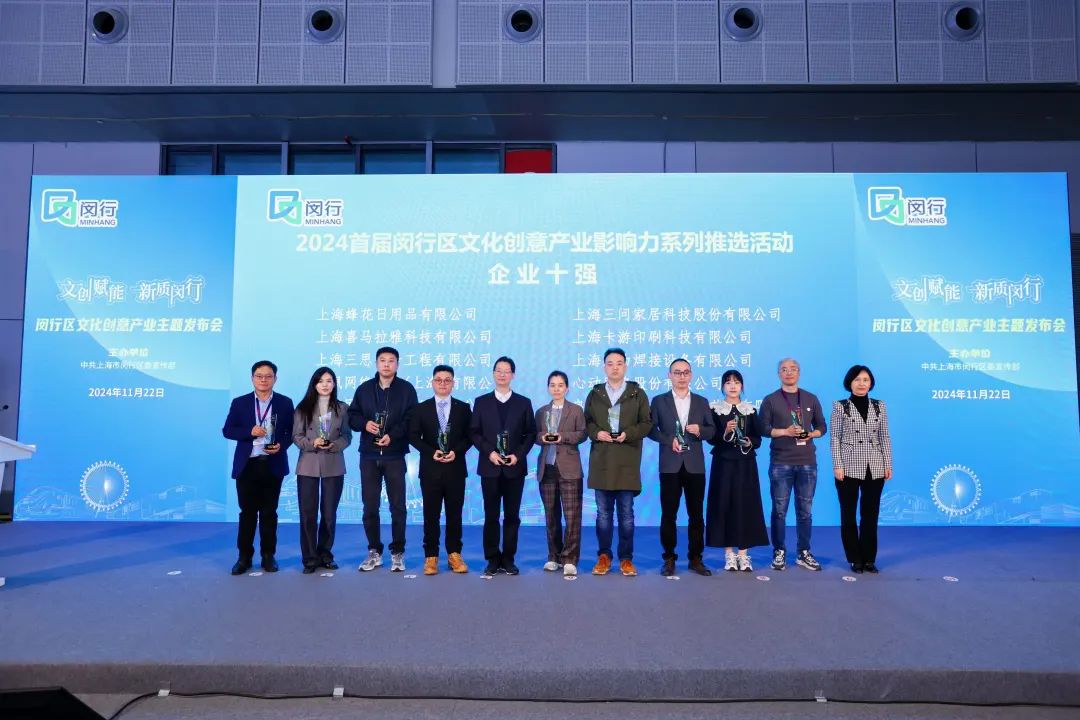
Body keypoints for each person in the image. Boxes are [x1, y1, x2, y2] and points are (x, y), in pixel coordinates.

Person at [347, 347, 418, 573]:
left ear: (397, 364)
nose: (386, 364)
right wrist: (364, 424)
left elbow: (411, 419)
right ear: (376, 363)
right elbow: (352, 416)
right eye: (382, 360)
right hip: (369, 455)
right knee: (370, 506)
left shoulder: (406, 389)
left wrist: (393, 435)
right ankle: (374, 551)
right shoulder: (364, 389)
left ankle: (398, 552)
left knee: (398, 506)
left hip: (394, 454)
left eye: (391, 361)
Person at [583, 348, 652, 577]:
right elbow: (587, 422)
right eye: (610, 363)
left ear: (626, 366)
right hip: (602, 461)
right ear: (604, 367)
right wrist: (597, 433)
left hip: (627, 461)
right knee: (603, 515)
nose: (615, 367)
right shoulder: (595, 394)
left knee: (626, 515)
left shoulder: (637, 393)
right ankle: (604, 556)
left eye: (619, 363)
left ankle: (626, 558)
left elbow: (646, 423)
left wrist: (628, 434)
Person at [221, 360, 294, 575]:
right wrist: (249, 431)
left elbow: (291, 432)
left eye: (268, 376)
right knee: (247, 513)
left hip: (273, 464)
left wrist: (282, 445)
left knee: (270, 513)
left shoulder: (284, 402)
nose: (264, 380)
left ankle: (268, 556)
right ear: (252, 378)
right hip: (247, 465)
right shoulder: (240, 402)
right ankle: (244, 557)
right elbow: (227, 430)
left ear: (275, 379)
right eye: (259, 376)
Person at [648, 359, 716, 576]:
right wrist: (669, 440)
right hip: (670, 464)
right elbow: (651, 430)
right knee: (669, 514)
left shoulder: (701, 401)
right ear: (669, 375)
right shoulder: (659, 401)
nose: (681, 376)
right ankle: (669, 558)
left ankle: (696, 558)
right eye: (677, 372)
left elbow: (712, 430)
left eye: (685, 372)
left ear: (691, 375)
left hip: (695, 465)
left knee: (696, 515)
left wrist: (700, 431)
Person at [758, 357, 827, 572]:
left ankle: (803, 552)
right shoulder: (770, 400)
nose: (789, 372)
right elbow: (763, 429)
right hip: (781, 462)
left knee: (805, 511)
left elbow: (822, 426)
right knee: (779, 510)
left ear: (799, 372)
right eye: (784, 369)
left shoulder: (810, 398)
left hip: (807, 462)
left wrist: (811, 434)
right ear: (779, 373)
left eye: (793, 369)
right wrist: (785, 432)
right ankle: (779, 551)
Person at [469, 356, 536, 576]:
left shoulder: (523, 402)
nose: (502, 374)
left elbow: (531, 433)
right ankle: (492, 558)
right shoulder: (481, 402)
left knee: (512, 516)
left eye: (507, 371)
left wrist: (518, 455)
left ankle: (508, 558)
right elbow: (474, 432)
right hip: (490, 467)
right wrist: (489, 452)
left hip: (514, 468)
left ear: (513, 375)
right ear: (493, 373)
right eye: (498, 370)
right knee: (490, 516)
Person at [408, 365, 473, 575]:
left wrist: (457, 452)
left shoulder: (464, 408)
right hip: (430, 469)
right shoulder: (421, 408)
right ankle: (431, 556)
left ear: (453, 383)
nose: (443, 383)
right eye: (439, 380)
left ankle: (454, 554)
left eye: (447, 380)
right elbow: (413, 436)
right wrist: (430, 452)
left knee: (455, 514)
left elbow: (470, 436)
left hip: (455, 469)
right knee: (431, 515)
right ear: (432, 382)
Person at [830, 365, 893, 574]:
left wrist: (887, 464)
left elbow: (884, 436)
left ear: (871, 383)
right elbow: (835, 438)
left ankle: (869, 559)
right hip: (848, 466)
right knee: (848, 515)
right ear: (849, 382)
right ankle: (854, 558)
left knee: (870, 514)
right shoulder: (840, 406)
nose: (861, 384)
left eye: (865, 380)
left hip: (875, 465)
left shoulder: (879, 405)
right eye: (857, 379)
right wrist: (838, 465)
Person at [705, 369, 769, 572]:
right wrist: (725, 432)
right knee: (723, 504)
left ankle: (743, 554)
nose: (733, 386)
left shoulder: (750, 410)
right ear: (722, 386)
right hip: (723, 463)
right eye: (728, 382)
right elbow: (710, 438)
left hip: (745, 464)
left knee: (745, 505)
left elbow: (758, 438)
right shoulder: (715, 409)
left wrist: (749, 441)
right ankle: (729, 554)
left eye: (736, 382)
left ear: (742, 386)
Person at [292, 366, 352, 574]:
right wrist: (312, 443)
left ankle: (325, 554)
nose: (325, 385)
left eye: (329, 381)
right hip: (308, 465)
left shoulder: (343, 408)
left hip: (333, 464)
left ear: (334, 384)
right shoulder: (303, 408)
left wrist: (334, 445)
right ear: (314, 384)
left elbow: (347, 436)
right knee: (307, 514)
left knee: (329, 514)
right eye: (321, 381)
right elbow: (296, 437)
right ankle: (309, 559)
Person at [534, 371, 587, 577]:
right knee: (551, 515)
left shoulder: (576, 410)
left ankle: (570, 559)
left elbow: (582, 434)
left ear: (567, 388)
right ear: (548, 387)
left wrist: (561, 436)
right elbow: (535, 436)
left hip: (569, 469)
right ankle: (553, 556)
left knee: (572, 516)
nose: (556, 388)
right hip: (547, 468)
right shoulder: (541, 411)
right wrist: (543, 437)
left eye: (560, 385)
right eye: (552, 385)